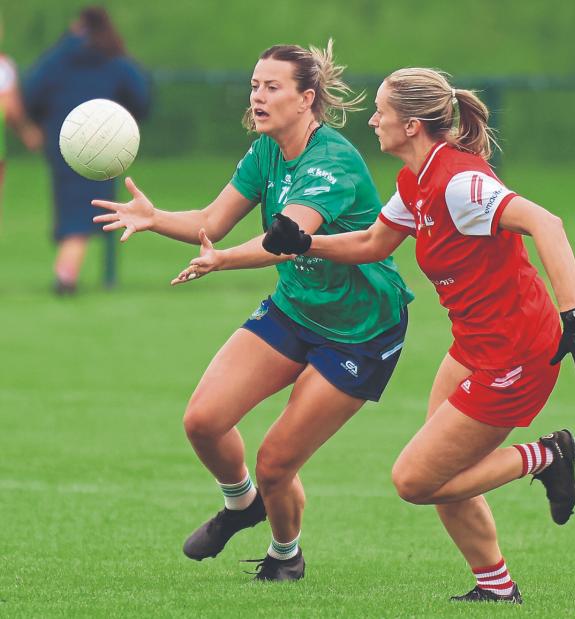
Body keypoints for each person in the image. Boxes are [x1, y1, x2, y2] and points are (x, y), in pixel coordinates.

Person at [263, 68, 575, 604]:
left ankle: (546, 456)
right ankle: (496, 588)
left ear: (410, 124)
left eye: (381, 111)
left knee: (415, 481)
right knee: (447, 470)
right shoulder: (416, 180)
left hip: (517, 353)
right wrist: (305, 243)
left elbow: (548, 223)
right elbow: (374, 243)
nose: (372, 120)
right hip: (475, 345)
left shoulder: (458, 183)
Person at [91, 42, 414, 582]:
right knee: (203, 421)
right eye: (254, 86)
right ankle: (241, 504)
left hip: (360, 330)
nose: (257, 97)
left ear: (306, 98)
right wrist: (153, 216)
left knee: (275, 462)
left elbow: (286, 239)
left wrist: (221, 261)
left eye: (271, 87)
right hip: (296, 308)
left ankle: (286, 556)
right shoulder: (266, 151)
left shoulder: (331, 161)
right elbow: (211, 222)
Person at [22, 6, 149, 294]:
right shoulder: (114, 58)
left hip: (62, 142)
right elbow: (141, 96)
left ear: (77, 25)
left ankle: (67, 273)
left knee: (73, 207)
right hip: (107, 146)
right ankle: (67, 275)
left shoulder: (56, 59)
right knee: (91, 209)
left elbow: (32, 93)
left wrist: (42, 122)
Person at [0, 18, 43, 224]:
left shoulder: (4, 65)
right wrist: (26, 131)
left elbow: (12, 107)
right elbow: (11, 106)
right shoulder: (3, 66)